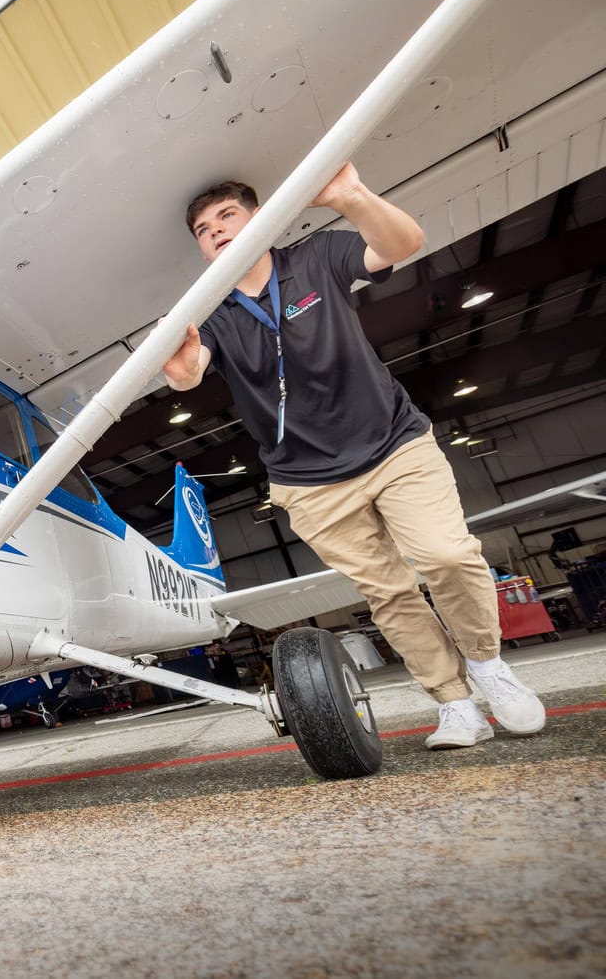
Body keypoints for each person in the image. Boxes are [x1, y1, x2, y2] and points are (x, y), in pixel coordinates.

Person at [165, 162, 545, 750]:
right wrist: (180, 362)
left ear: (260, 219)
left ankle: (489, 667)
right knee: (389, 593)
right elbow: (190, 376)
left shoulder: (315, 258)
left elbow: (402, 242)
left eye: (227, 216)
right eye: (202, 229)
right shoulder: (211, 309)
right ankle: (454, 704)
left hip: (394, 445)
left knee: (446, 555)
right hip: (307, 481)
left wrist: (350, 196)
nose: (213, 230)